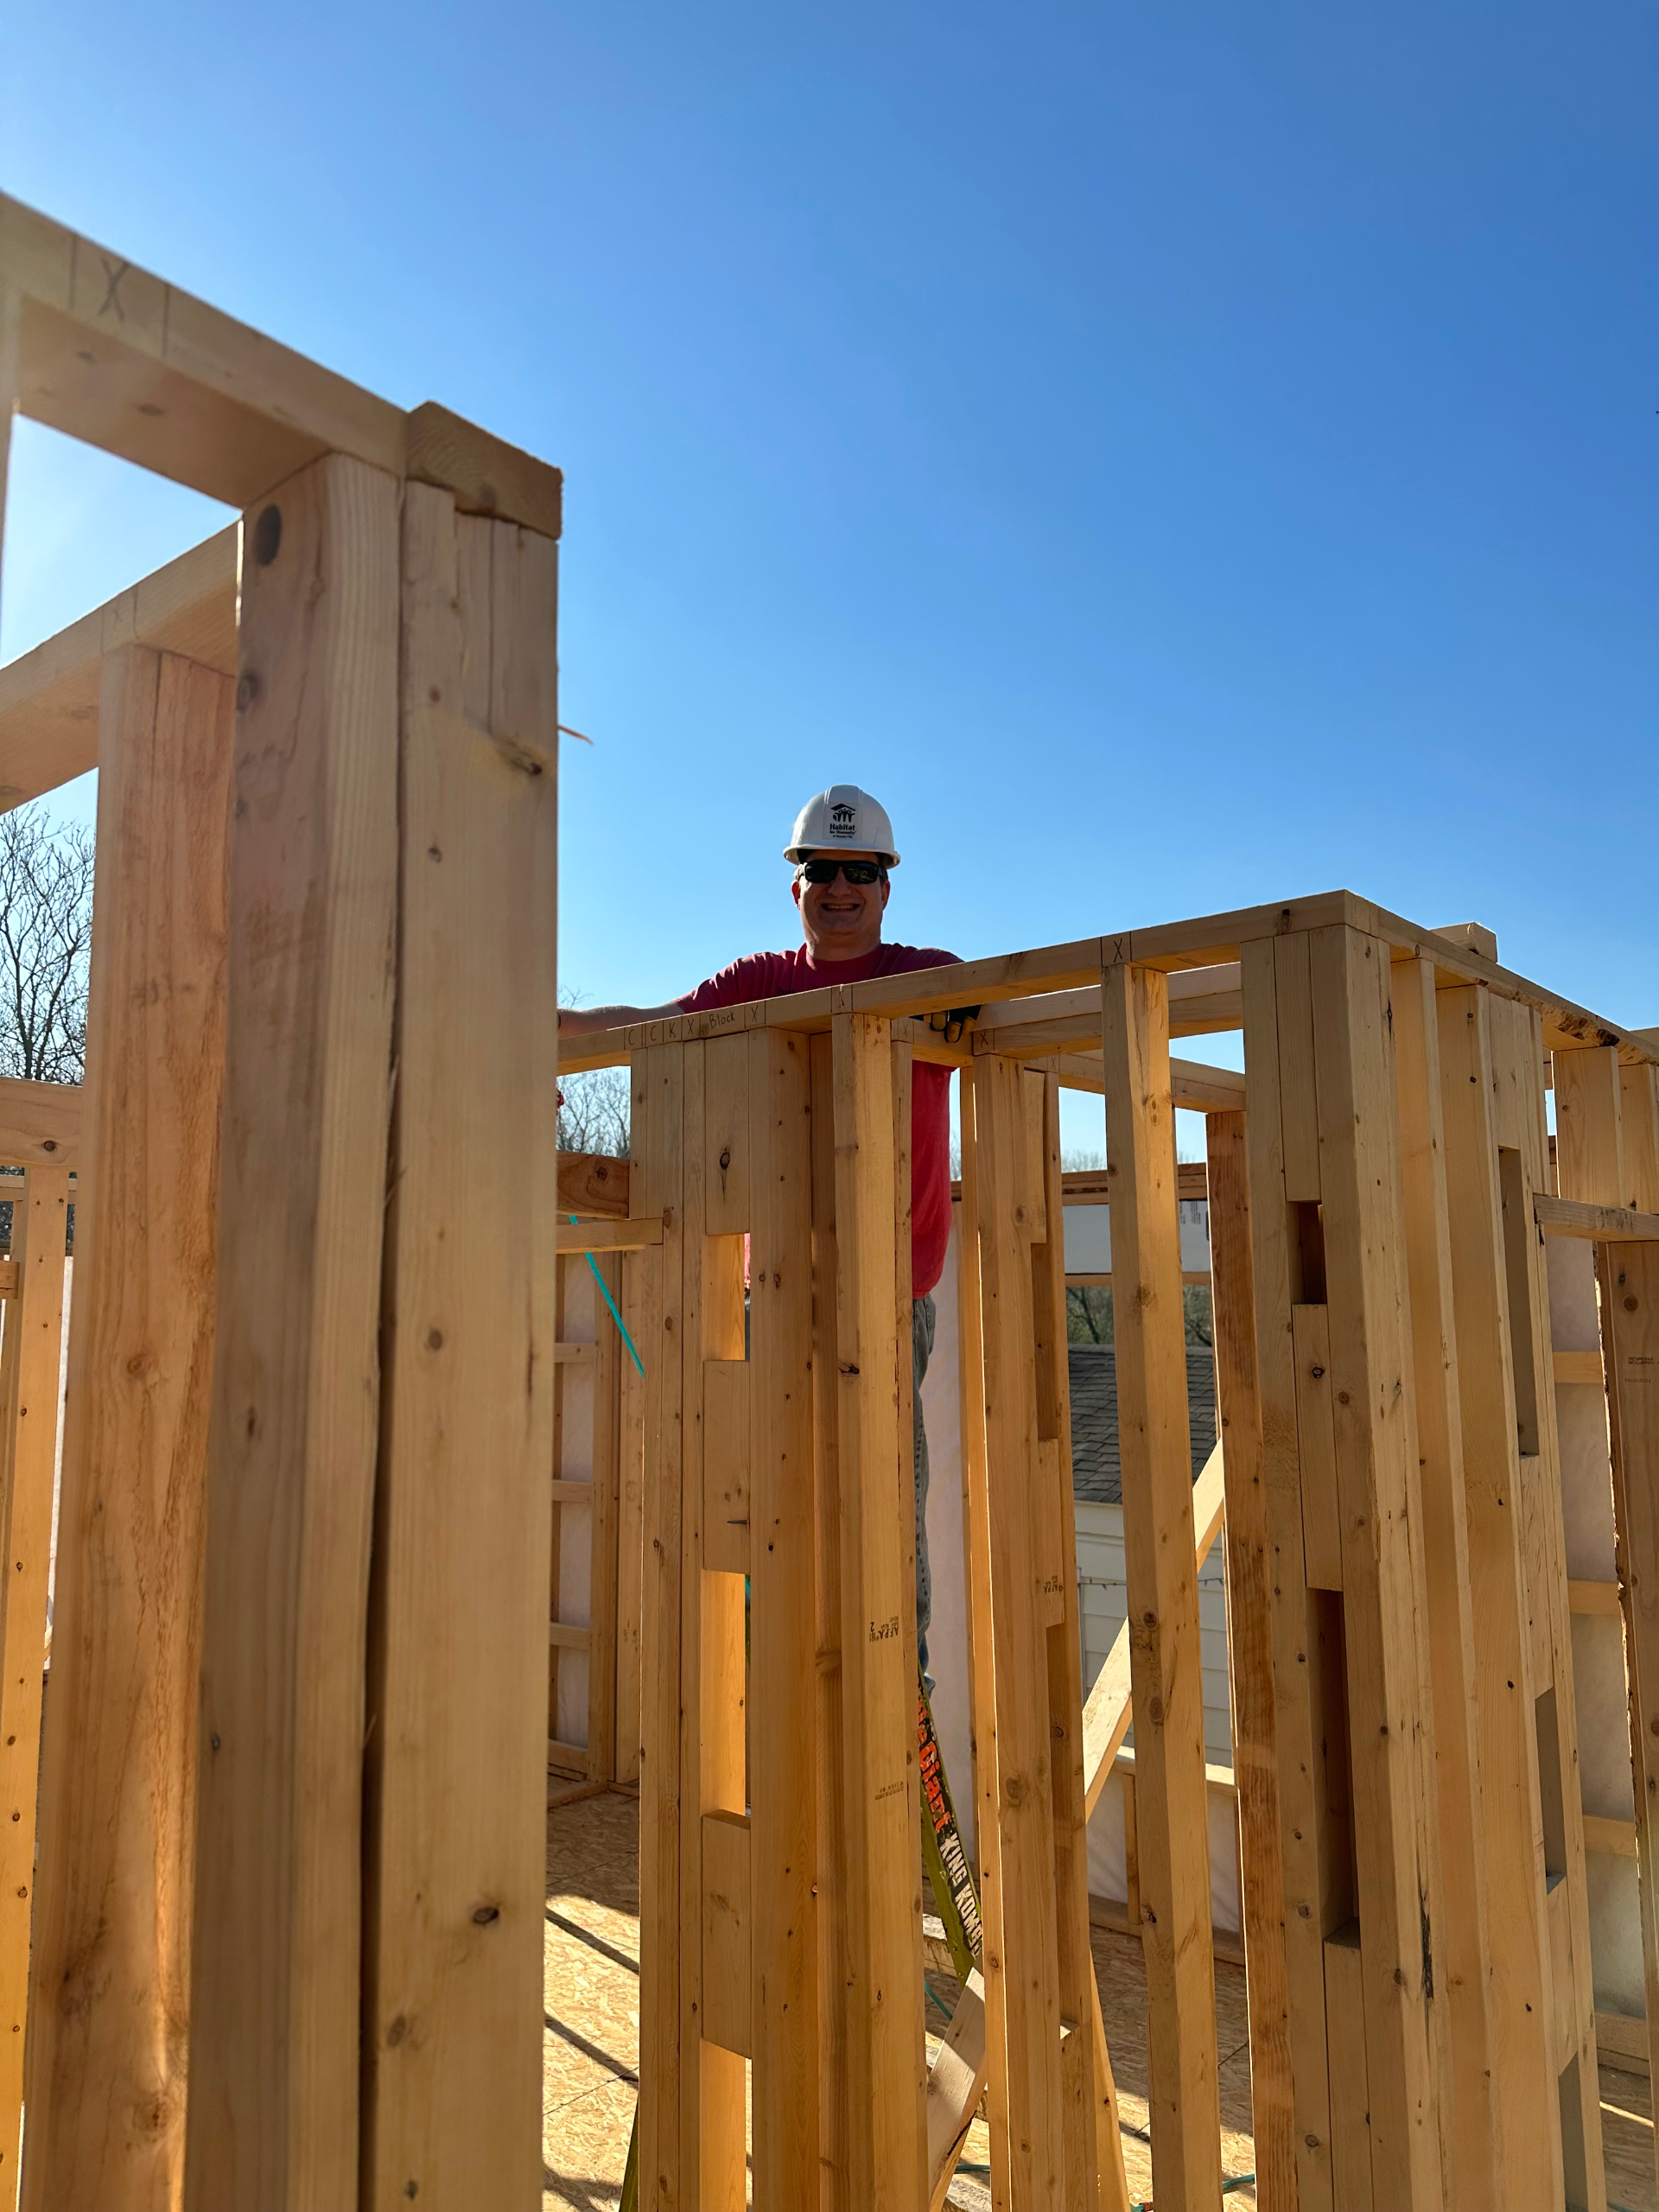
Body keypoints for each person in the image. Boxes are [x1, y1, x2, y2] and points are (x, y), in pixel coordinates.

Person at [562, 785, 960, 1675]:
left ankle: (904, 1689)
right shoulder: (760, 984)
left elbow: (996, 1015)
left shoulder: (929, 978)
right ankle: (775, 1693)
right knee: (767, 1508)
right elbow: (653, 1028)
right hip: (768, 1292)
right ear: (797, 889)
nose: (841, 888)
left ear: (886, 890)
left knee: (884, 1505)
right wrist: (542, 1037)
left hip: (888, 1298)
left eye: (861, 872)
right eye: (823, 871)